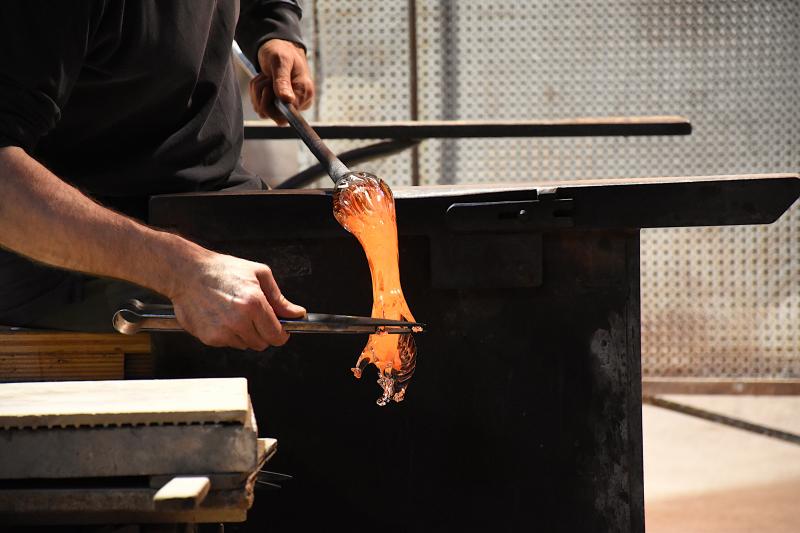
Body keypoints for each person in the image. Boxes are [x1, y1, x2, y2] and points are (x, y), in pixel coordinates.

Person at [0, 0, 316, 351]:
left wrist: (274, 28)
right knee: (263, 336)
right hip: (72, 248)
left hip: (209, 202)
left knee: (337, 289)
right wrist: (179, 271)